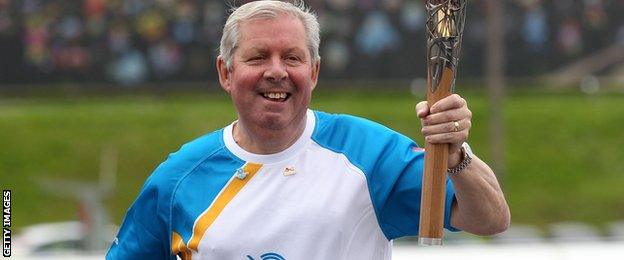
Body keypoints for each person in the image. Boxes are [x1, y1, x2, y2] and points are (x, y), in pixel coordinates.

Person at [107, 1, 510, 259]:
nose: (277, 71)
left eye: (293, 57)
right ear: (225, 73)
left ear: (314, 72)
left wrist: (457, 156)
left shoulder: (368, 154)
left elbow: (490, 219)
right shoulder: (179, 179)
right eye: (258, 56)